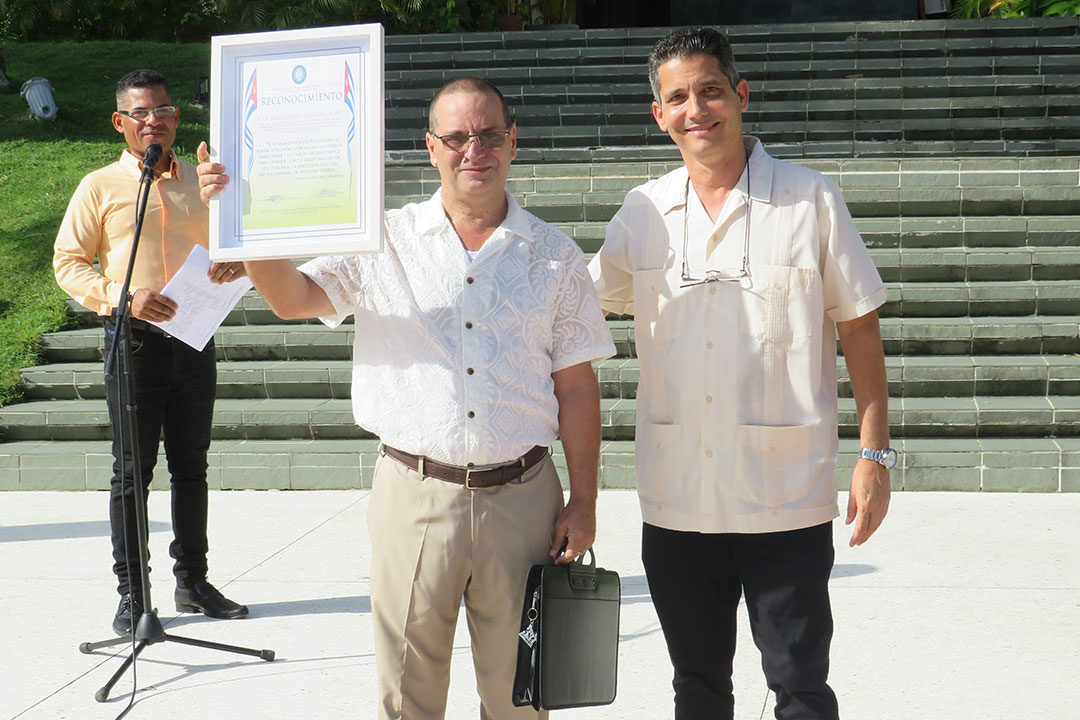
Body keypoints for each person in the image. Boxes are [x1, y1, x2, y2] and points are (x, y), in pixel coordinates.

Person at [197, 77, 614, 720]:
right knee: (409, 694)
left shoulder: (554, 257)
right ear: (430, 147)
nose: (473, 149)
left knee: (523, 698)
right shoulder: (381, 240)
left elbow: (578, 387)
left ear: (512, 142)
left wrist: (583, 500)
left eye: (489, 134)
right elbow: (292, 299)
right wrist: (244, 220)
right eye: (456, 137)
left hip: (525, 500)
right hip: (414, 496)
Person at [588, 27, 893, 720]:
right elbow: (575, 303)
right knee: (696, 686)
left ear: (741, 94)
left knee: (799, 686)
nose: (697, 109)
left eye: (710, 90)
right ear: (659, 114)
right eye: (678, 98)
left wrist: (874, 456)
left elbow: (860, 329)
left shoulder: (809, 199)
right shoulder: (644, 212)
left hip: (782, 494)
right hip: (678, 498)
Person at [53, 69, 249, 636]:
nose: (152, 120)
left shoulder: (205, 182)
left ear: (176, 117)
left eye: (161, 109)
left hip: (194, 336)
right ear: (121, 122)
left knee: (191, 467)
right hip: (132, 342)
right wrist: (124, 298)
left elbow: (236, 245)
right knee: (130, 473)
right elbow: (69, 262)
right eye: (140, 113)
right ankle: (133, 596)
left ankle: (193, 581)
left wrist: (235, 260)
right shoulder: (100, 187)